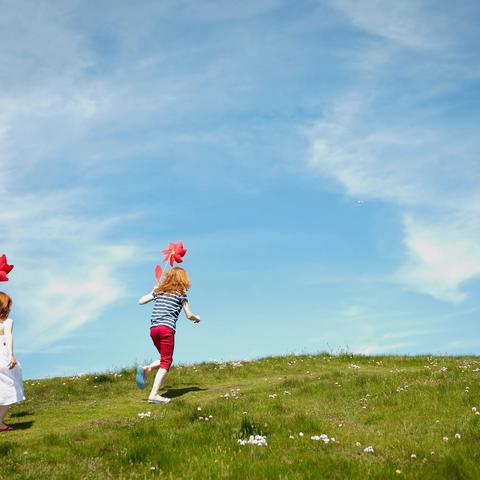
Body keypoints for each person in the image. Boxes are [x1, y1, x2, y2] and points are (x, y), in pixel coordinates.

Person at [136, 267, 201, 404]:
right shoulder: (181, 294)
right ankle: (153, 395)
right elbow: (188, 315)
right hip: (166, 329)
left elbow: (141, 301)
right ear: (183, 279)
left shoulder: (160, 291)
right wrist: (197, 318)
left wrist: (152, 292)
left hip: (153, 329)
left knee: (165, 358)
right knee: (166, 362)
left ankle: (147, 369)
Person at [0, 292, 25, 432]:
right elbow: (8, 336)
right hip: (3, 359)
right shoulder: (7, 323)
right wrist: (11, 355)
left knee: (5, 389)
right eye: (8, 306)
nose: (9, 310)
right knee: (10, 388)